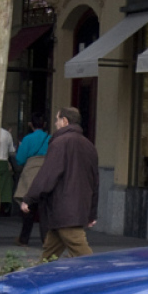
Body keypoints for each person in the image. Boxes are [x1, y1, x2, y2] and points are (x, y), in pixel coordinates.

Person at [19, 107, 99, 261]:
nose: (55, 123)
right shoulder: (89, 146)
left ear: (65, 121)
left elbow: (47, 175)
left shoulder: (60, 143)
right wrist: (92, 212)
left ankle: (101, 279)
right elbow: (95, 181)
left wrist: (29, 198)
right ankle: (41, 278)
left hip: (63, 208)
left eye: (57, 119)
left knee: (83, 254)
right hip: (75, 208)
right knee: (49, 253)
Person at [14, 113, 50, 246]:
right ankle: (46, 239)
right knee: (44, 208)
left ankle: (24, 238)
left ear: (30, 124)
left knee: (28, 207)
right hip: (46, 171)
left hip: (30, 172)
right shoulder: (50, 138)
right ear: (45, 125)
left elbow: (20, 159)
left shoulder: (27, 139)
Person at [0, 125, 17, 217]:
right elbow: (11, 151)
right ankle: (3, 207)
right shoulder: (7, 134)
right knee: (3, 187)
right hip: (3, 162)